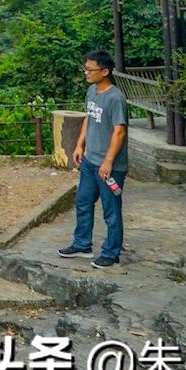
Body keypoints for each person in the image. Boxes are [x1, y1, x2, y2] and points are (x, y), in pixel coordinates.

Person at [60, 50, 127, 268]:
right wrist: (80, 144)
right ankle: (82, 244)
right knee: (83, 202)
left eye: (90, 69)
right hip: (90, 161)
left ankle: (111, 253)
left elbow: (119, 132)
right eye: (85, 68)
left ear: (105, 71)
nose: (86, 73)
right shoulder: (92, 91)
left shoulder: (115, 98)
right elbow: (88, 118)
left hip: (110, 166)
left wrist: (108, 161)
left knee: (111, 211)